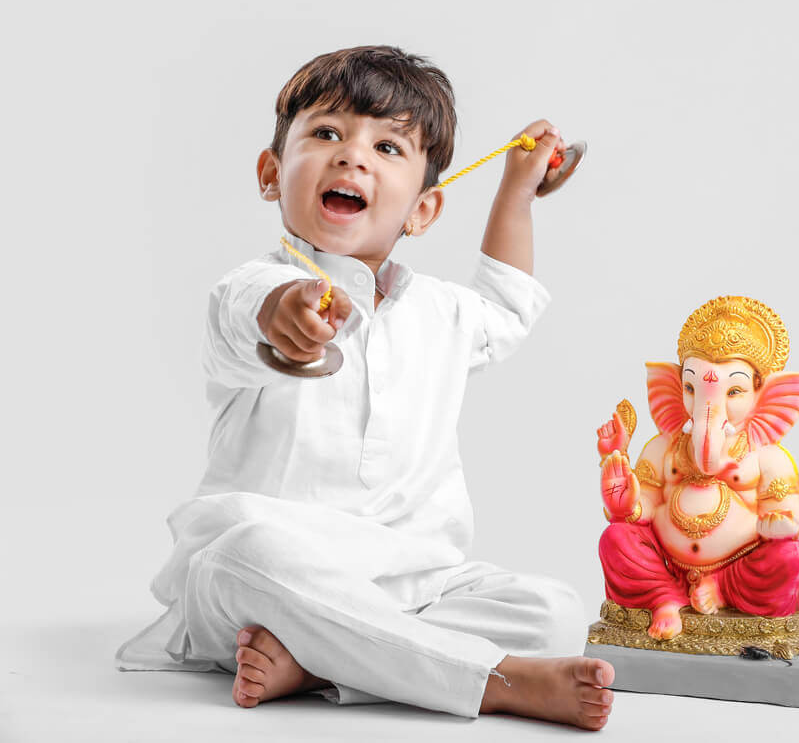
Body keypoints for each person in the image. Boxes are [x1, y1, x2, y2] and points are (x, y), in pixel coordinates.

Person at [114, 45, 614, 730]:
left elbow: (505, 306)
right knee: (239, 554)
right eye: (325, 135)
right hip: (268, 582)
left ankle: (321, 663)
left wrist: (516, 191)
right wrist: (289, 312)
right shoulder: (252, 287)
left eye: (387, 147)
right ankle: (490, 681)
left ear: (423, 211)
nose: (353, 157)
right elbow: (255, 315)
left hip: (414, 584)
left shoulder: (440, 312)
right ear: (270, 173)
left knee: (556, 612)